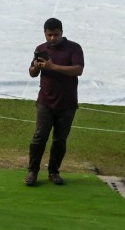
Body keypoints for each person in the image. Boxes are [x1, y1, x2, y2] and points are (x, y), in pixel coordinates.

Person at [26, 17, 84, 186]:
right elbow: (32, 73)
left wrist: (53, 67)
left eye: (56, 35)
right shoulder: (40, 49)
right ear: (44, 33)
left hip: (67, 103)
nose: (52, 38)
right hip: (45, 101)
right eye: (49, 35)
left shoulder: (73, 48)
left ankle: (53, 172)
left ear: (62, 33)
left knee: (60, 139)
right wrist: (36, 67)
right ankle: (32, 172)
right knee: (39, 137)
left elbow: (78, 70)